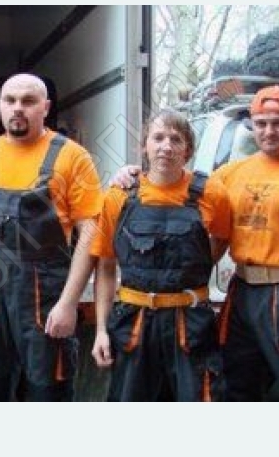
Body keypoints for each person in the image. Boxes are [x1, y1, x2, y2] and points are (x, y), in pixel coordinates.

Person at [112, 85, 279, 401]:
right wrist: (131, 175)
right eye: (261, 123)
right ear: (252, 125)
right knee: (233, 387)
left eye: (278, 122)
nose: (269, 130)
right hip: (242, 294)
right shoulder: (230, 175)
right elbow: (178, 186)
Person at [0, 73, 103, 401]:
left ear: (46, 107)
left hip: (45, 304)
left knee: (47, 391)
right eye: (9, 100)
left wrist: (69, 304)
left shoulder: (72, 157)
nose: (17, 108)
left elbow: (90, 234)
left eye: (28, 101)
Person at [87, 109, 231, 401]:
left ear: (188, 150)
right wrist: (101, 330)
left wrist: (194, 269)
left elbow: (221, 239)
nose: (166, 146)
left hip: (190, 324)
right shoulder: (118, 196)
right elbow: (106, 265)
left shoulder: (212, 193)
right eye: (158, 138)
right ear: (145, 146)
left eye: (176, 139)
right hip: (134, 324)